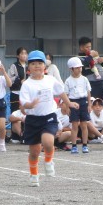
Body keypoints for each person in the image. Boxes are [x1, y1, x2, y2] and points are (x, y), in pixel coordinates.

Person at [19, 50, 77, 187]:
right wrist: (30, 105)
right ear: (28, 67)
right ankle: (34, 175)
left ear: (45, 66)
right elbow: (24, 102)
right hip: (33, 119)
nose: (37, 66)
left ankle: (49, 160)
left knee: (48, 142)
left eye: (40, 63)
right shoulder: (26, 84)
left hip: (49, 117)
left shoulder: (50, 79)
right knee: (34, 152)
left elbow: (61, 92)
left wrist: (69, 103)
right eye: (33, 64)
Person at [65, 56, 92, 154]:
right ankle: (74, 146)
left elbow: (88, 92)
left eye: (80, 67)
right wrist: (67, 107)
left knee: (84, 125)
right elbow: (66, 95)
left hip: (83, 102)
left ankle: (85, 145)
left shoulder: (84, 79)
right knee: (75, 125)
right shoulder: (68, 81)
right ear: (71, 69)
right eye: (77, 68)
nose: (79, 69)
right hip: (73, 102)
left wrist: (89, 104)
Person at [8, 47, 29, 119]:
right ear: (18, 56)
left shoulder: (28, 66)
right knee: (15, 112)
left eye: (25, 53)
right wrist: (19, 80)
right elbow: (9, 79)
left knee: (25, 112)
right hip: (16, 92)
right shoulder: (14, 66)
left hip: (26, 93)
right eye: (22, 53)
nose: (24, 55)